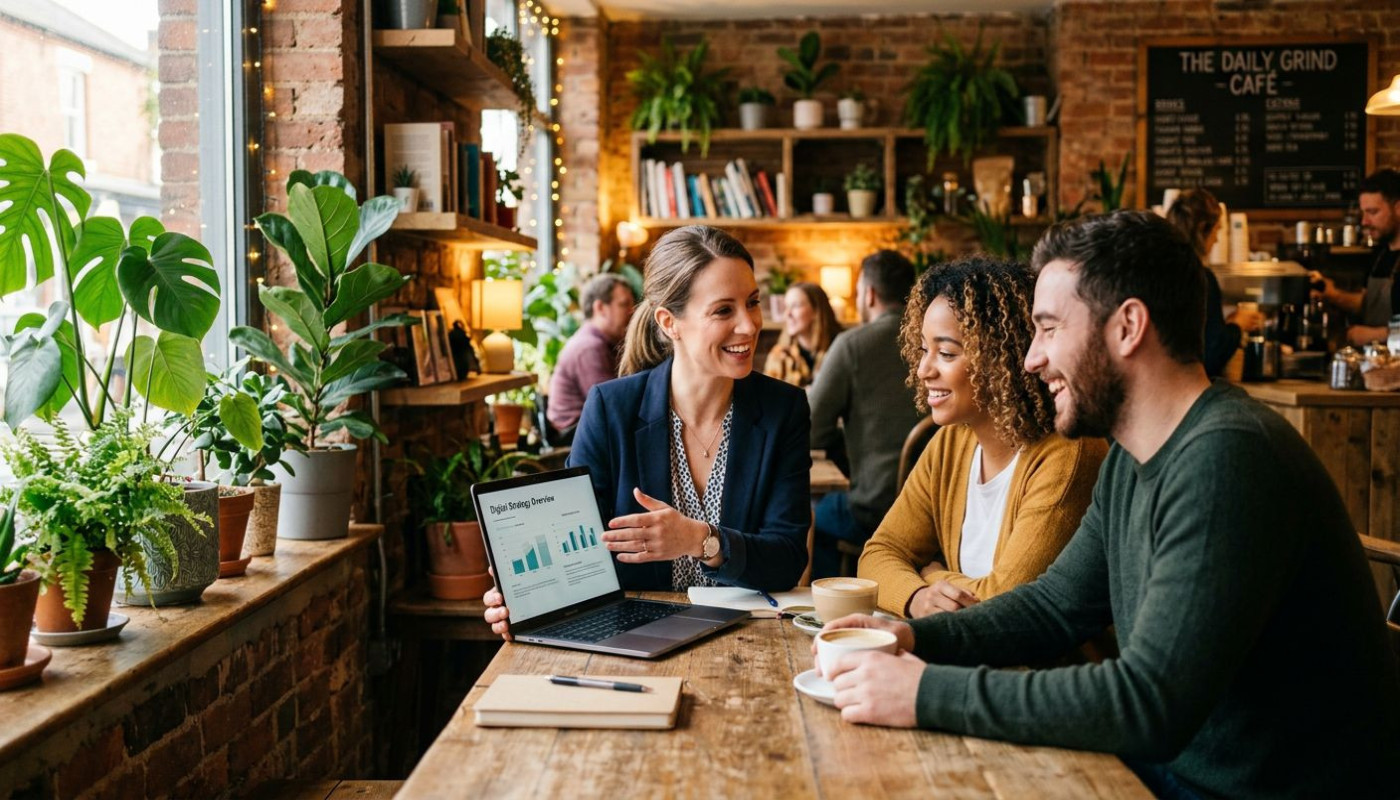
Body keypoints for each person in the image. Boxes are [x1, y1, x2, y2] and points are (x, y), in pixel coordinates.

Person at [818, 211, 1400, 798]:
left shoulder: (1228, 457)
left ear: (1127, 327)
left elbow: (1148, 703)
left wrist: (923, 693)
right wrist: (912, 638)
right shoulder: (1131, 457)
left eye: (1048, 329)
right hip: (1176, 771)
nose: (1030, 359)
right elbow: (1052, 607)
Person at [485, 225, 811, 639]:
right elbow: (576, 548)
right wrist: (527, 596)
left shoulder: (783, 409)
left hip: (747, 640)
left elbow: (787, 559)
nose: (748, 325)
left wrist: (701, 539)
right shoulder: (611, 409)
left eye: (752, 302)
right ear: (669, 322)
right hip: (631, 637)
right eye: (723, 311)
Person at [856, 256, 1107, 616]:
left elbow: (1005, 603)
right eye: (924, 350)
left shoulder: (1068, 455)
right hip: (960, 647)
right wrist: (917, 597)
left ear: (1002, 357)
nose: (923, 369)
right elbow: (878, 554)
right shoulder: (950, 443)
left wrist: (931, 574)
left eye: (946, 353)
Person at [807, 250, 922, 578]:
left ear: (868, 294)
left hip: (874, 510)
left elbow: (811, 430)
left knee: (811, 515)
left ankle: (829, 600)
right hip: (935, 509)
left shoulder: (853, 346)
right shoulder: (934, 342)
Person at [1163, 188, 1263, 376]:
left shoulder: (1158, 273)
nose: (1216, 240)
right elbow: (1211, 353)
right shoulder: (1200, 277)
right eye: (1217, 230)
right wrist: (1238, 325)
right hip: (1188, 385)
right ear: (1202, 229)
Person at [1310, 168, 1400, 346]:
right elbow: (1367, 304)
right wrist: (1332, 294)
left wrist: (1374, 335)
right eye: (1363, 213)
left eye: (1373, 212)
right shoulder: (1380, 255)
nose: (1364, 221)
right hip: (1376, 361)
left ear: (1398, 208)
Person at [546, 273, 636, 435]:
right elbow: (611, 406)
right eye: (624, 305)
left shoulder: (600, 342)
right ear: (600, 308)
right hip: (574, 437)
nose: (632, 312)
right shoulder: (589, 347)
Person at [763, 281, 840, 388]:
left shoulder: (840, 350)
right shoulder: (779, 354)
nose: (787, 314)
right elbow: (767, 393)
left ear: (816, 311)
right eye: (786, 307)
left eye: (795, 306)